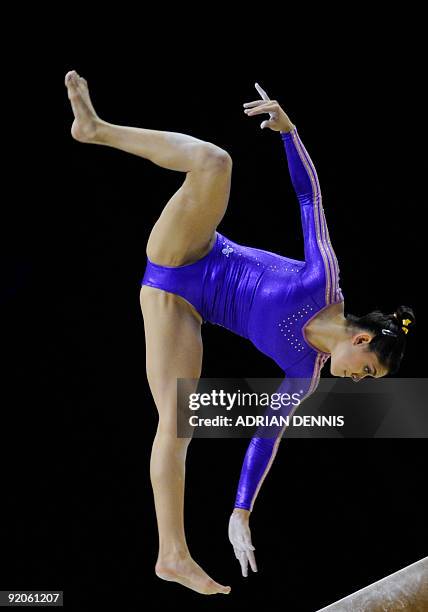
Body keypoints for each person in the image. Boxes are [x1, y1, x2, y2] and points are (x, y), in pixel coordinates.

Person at [65, 71, 415, 595]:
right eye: (365, 372)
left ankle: (171, 555)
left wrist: (240, 511)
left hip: (178, 305)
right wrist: (289, 134)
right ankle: (97, 129)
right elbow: (308, 200)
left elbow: (265, 435)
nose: (356, 380)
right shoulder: (324, 280)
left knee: (176, 423)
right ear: (360, 340)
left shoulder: (305, 373)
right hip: (193, 251)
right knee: (214, 162)